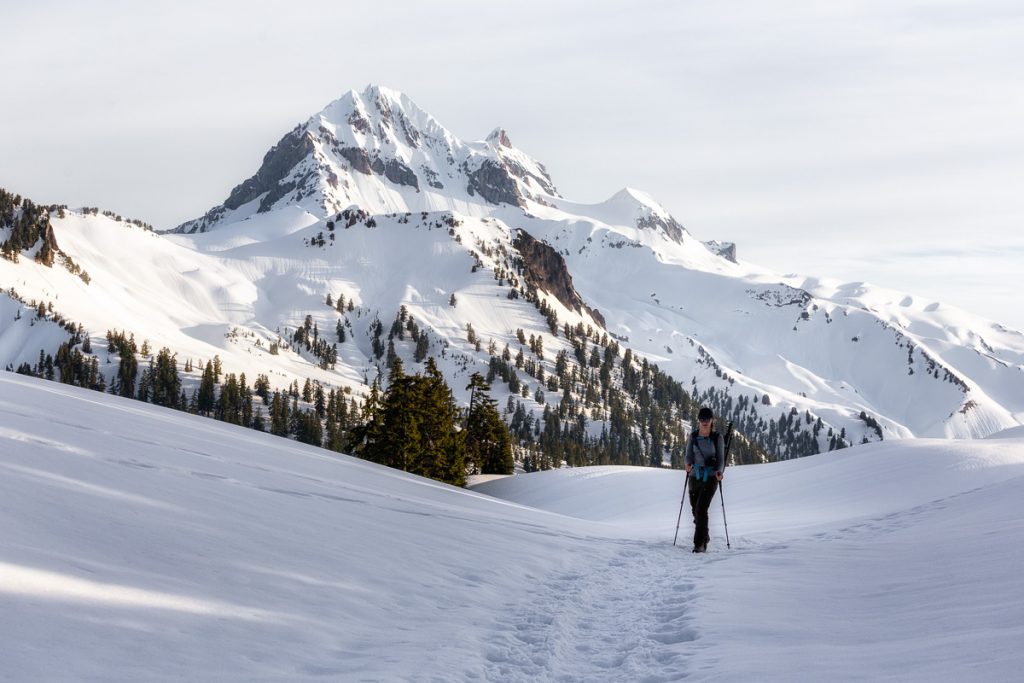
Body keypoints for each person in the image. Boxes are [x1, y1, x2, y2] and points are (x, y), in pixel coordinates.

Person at [685, 406, 724, 553]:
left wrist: (719, 472)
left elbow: (721, 459)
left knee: (701, 509)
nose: (705, 422)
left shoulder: (717, 437)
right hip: (695, 476)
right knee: (695, 510)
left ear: (712, 420)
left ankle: (699, 544)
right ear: (699, 421)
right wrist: (687, 465)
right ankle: (705, 535)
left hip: (711, 477)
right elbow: (688, 455)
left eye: (707, 419)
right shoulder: (693, 436)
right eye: (702, 419)